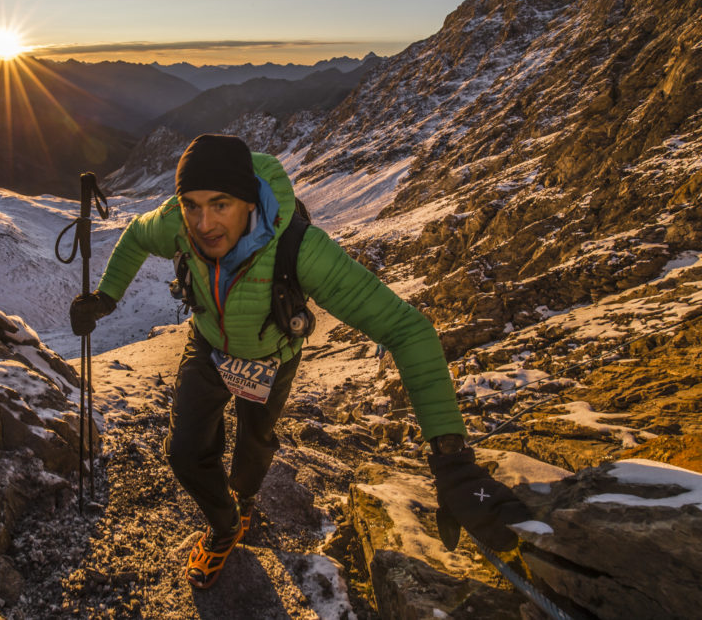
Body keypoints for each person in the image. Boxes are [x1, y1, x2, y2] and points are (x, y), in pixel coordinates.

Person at [70, 134, 529, 589]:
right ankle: (226, 526)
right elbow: (134, 235)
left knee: (255, 441)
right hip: (208, 348)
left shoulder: (300, 248)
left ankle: (244, 499)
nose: (203, 223)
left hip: (272, 358)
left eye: (220, 203)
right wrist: (105, 299)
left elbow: (406, 329)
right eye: (191, 205)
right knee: (185, 452)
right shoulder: (175, 223)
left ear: (249, 201)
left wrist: (453, 461)